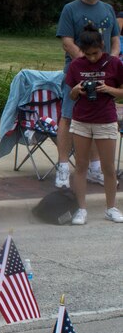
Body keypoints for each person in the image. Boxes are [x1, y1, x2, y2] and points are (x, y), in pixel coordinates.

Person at [55, 0, 120, 189]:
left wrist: (110, 63)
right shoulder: (70, 9)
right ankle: (63, 167)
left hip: (104, 74)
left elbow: (115, 40)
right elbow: (67, 41)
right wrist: (86, 64)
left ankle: (94, 169)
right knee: (67, 116)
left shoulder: (108, 9)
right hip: (75, 72)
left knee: (97, 119)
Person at [66, 24, 123, 225]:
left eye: (96, 53)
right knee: (81, 166)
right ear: (82, 50)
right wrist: (76, 90)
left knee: (108, 167)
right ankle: (81, 209)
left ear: (103, 47)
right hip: (81, 120)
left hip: (105, 120)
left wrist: (108, 89)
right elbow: (71, 95)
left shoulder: (114, 63)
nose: (91, 58)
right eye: (88, 54)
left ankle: (111, 208)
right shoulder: (76, 65)